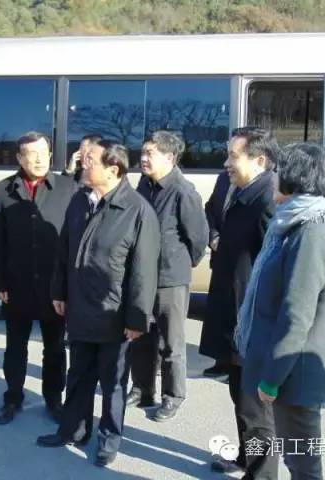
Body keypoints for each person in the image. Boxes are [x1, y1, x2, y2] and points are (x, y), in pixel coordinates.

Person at [36, 141, 160, 468]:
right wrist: (59, 291)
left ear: (112, 169)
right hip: (79, 308)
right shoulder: (80, 200)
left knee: (112, 383)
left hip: (113, 314)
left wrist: (137, 319)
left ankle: (109, 440)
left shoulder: (137, 210)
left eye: (89, 160)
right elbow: (64, 251)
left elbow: (144, 271)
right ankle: (73, 430)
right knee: (78, 375)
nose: (82, 164)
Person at [239, 142, 325, 480]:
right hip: (290, 366)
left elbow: (296, 315)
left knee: (302, 464)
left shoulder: (311, 231)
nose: (272, 178)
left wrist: (272, 380)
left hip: (294, 371)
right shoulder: (299, 221)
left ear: (295, 179)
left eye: (277, 172)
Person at [198, 127, 278, 476]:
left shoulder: (267, 201)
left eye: (233, 156)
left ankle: (262, 473)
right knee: (240, 399)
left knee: (255, 410)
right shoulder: (242, 191)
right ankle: (247, 457)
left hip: (252, 322)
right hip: (236, 316)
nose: (226, 163)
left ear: (259, 160)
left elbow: (275, 271)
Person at [0, 131, 76, 425]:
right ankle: (12, 397)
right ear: (19, 158)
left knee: (55, 347)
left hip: (54, 286)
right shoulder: (3, 190)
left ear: (50, 154)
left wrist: (68, 284)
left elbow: (74, 239)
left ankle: (53, 398)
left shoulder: (67, 187)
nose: (38, 159)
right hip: (17, 284)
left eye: (43, 153)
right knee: (16, 346)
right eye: (31, 154)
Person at [128, 130, 208, 421]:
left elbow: (198, 238)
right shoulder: (143, 186)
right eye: (143, 152)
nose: (143, 159)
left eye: (150, 154)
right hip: (142, 276)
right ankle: (142, 388)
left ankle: (173, 396)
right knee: (141, 336)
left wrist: (179, 265)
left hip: (170, 278)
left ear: (170, 158)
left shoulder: (183, 192)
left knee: (171, 342)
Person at [201, 170, 233, 379]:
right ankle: (221, 360)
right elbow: (210, 210)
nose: (227, 162)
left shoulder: (263, 184)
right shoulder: (224, 178)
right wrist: (213, 236)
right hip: (219, 254)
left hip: (241, 256)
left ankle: (236, 363)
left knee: (236, 312)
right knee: (219, 310)